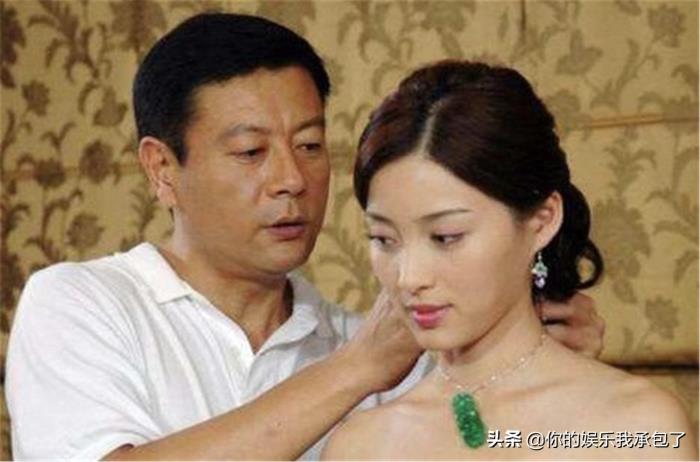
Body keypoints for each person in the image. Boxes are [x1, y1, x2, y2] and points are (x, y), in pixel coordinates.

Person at [6, 15, 604, 461]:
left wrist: (535, 362)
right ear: (162, 169)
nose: (292, 179)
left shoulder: (386, 344)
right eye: (251, 152)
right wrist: (359, 367)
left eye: (310, 145)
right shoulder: (82, 303)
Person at [321, 61, 697, 460]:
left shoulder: (638, 427)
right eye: (384, 239)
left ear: (542, 220)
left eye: (446, 237)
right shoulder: (360, 445)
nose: (409, 277)